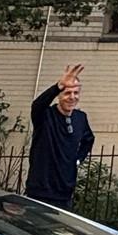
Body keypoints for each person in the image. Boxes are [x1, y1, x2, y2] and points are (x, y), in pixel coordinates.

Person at [27, 63, 95, 209]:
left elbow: (88, 139)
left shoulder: (80, 118)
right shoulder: (45, 116)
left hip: (65, 193)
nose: (72, 97)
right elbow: (37, 104)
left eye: (75, 93)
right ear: (59, 96)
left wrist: (77, 160)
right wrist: (58, 85)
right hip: (40, 192)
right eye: (67, 93)